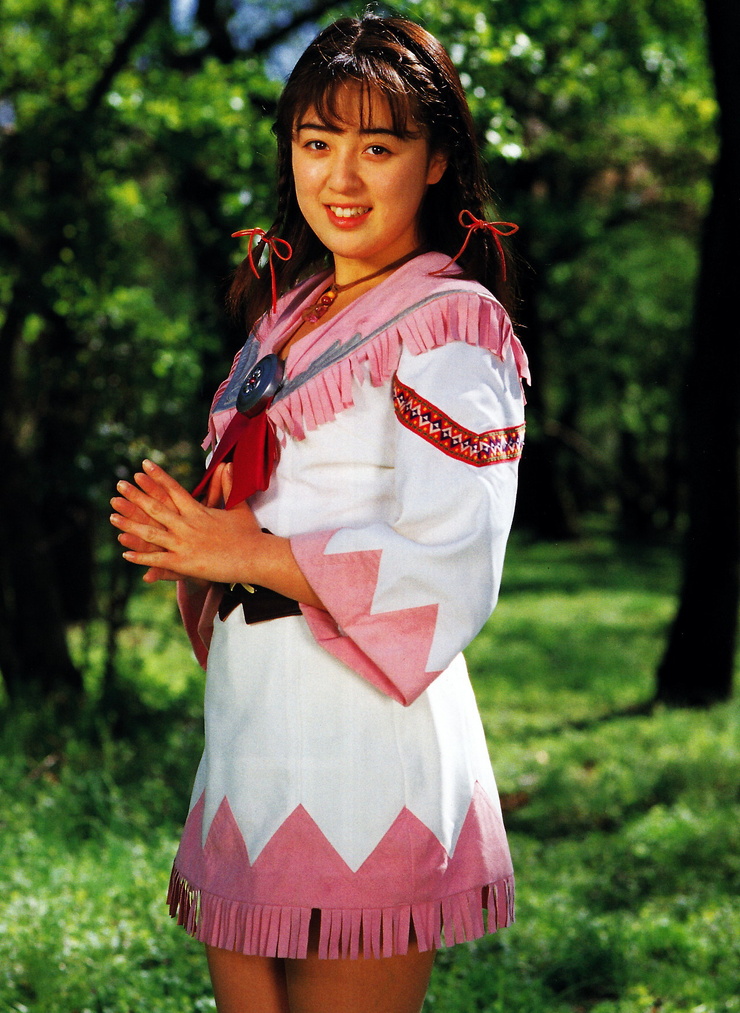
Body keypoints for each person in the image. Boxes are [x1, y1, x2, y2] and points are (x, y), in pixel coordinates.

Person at [109, 14, 529, 1013]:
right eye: (316, 141)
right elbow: (275, 502)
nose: (340, 177)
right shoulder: (288, 315)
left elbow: (450, 560)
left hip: (364, 754)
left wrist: (247, 549)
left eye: (377, 147)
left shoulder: (452, 326)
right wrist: (194, 539)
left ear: (435, 161)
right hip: (251, 732)